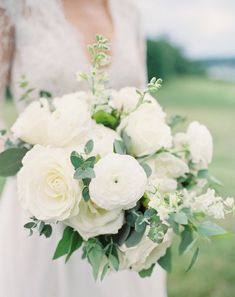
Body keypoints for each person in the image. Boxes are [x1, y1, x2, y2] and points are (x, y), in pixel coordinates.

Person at [0, 1, 167, 296]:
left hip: (122, 210)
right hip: (42, 204)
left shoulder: (129, 12)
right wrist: (44, 169)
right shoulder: (14, 7)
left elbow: (141, 104)